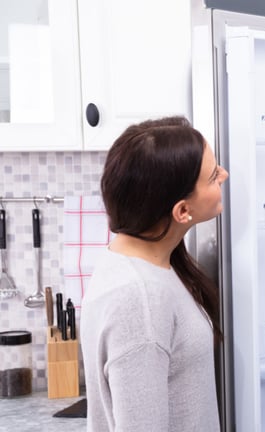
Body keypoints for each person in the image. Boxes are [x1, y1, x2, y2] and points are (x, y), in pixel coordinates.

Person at [80, 116, 228, 432]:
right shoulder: (140, 298)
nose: (224, 175)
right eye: (213, 176)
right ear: (182, 211)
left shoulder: (140, 262)